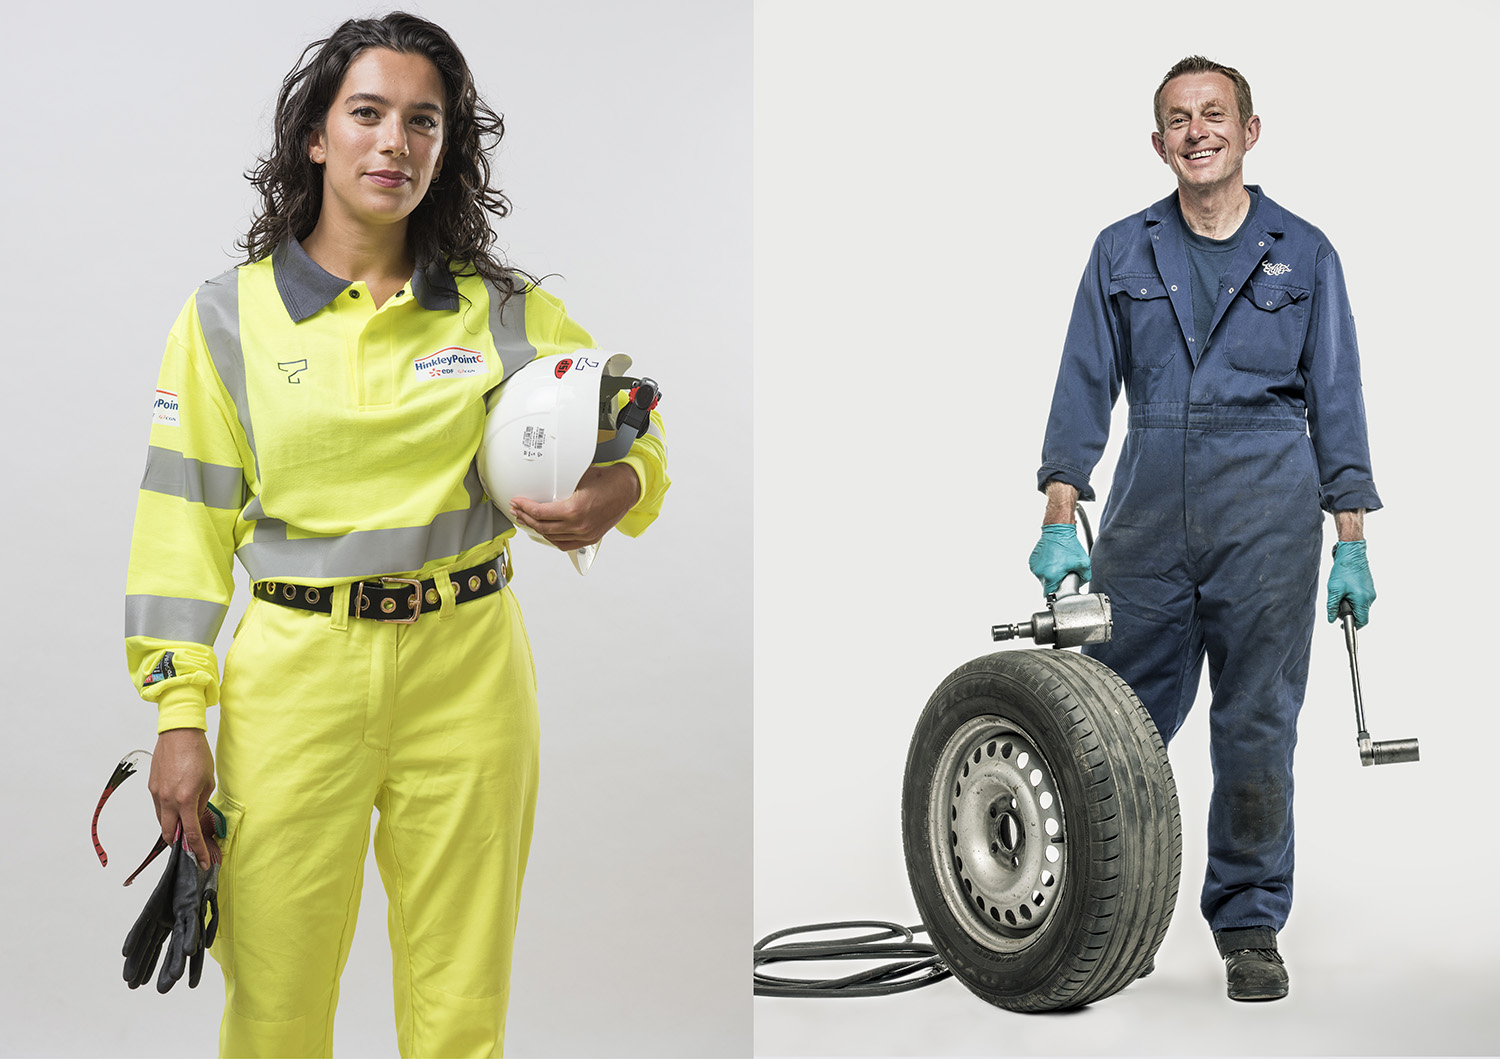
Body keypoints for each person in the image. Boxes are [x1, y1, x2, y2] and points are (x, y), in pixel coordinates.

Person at [124, 12, 668, 1056]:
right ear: (316, 137)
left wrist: (620, 487)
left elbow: (634, 419)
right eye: (367, 113)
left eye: (425, 122)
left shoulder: (505, 311)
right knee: (274, 1004)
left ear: (447, 147)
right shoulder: (225, 321)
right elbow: (179, 526)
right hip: (293, 683)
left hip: (468, 673)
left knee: (460, 1009)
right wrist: (178, 715)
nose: (396, 142)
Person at [1028, 55, 1378, 1002]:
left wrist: (1350, 539)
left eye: (1214, 114)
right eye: (1179, 119)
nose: (1198, 131)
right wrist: (1062, 511)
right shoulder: (1121, 250)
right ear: (1159, 143)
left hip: (1268, 507)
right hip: (1146, 509)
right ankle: (1110, 917)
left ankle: (1250, 925)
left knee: (1256, 722)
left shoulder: (1305, 253)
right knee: (1115, 726)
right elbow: (1082, 387)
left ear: (1250, 131)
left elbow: (1336, 402)